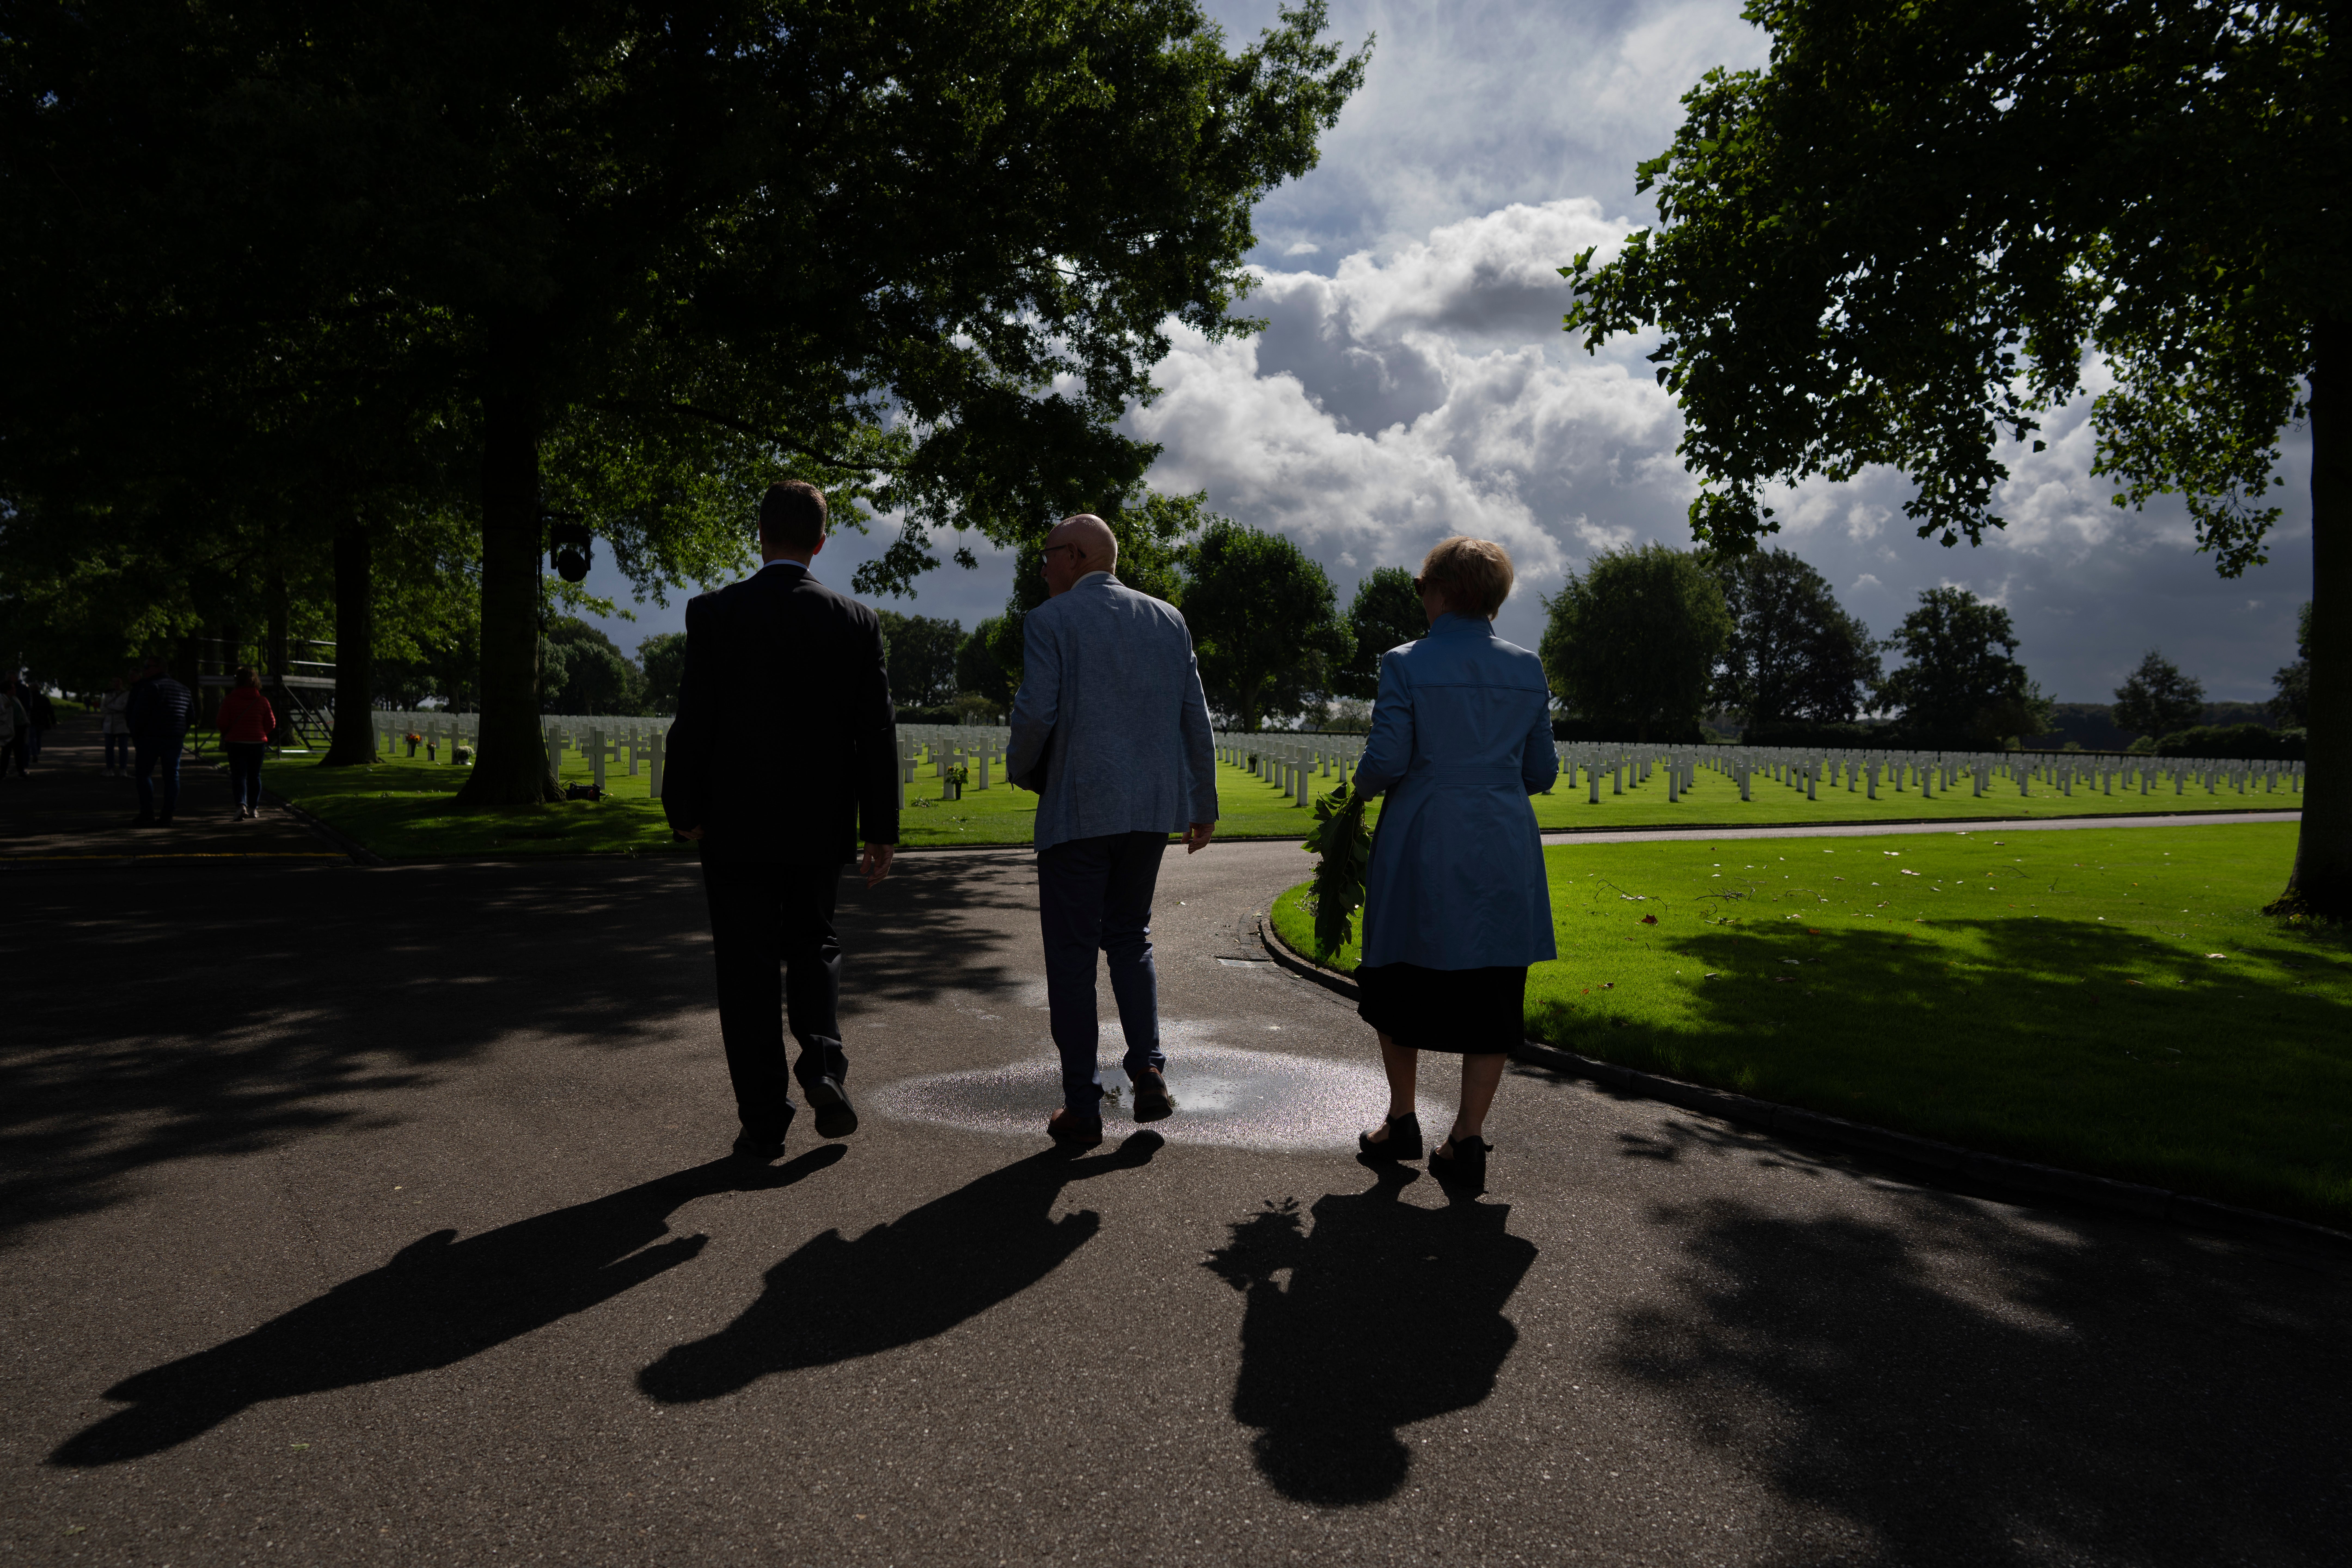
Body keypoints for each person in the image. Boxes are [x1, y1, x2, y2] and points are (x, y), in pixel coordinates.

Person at [661, 480, 899, 1162]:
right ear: (821, 541)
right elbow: (874, 734)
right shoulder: (855, 620)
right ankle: (823, 1061)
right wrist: (880, 828)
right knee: (815, 941)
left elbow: (695, 720)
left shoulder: (715, 612)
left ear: (759, 533)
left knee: (747, 966)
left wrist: (685, 808)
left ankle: (764, 1119)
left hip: (735, 821)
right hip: (819, 821)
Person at [1005, 513, 1219, 1149]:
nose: (1041, 567)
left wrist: (1020, 768)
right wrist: (1199, 801)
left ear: (1075, 555)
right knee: (1130, 936)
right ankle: (1147, 1066)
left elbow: (1037, 710)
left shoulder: (1051, 621)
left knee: (1072, 957)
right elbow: (1194, 716)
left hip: (1079, 806)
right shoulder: (1167, 618)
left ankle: (1081, 1106)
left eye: (1047, 555)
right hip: (1151, 808)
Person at [1350, 536, 1556, 1192]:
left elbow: (1386, 759)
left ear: (1440, 590)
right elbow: (1542, 771)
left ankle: (1403, 1117)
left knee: (1399, 971)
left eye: (1421, 584)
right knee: (1493, 984)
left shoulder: (1405, 663)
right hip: (1501, 838)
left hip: (1424, 835)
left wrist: (1353, 798)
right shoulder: (1527, 668)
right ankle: (1466, 1137)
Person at [124, 656, 196, 827]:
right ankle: (168, 815)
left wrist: (136, 736)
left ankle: (147, 814)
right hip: (175, 739)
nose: (144, 670)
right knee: (172, 776)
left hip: (151, 738)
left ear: (158, 668)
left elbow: (139, 715)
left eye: (147, 667)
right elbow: (191, 717)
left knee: (143, 775)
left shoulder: (150, 687)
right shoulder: (184, 690)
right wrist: (180, 733)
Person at [216, 666, 277, 820]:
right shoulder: (262, 701)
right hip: (257, 742)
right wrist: (260, 732)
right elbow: (271, 723)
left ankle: (241, 805)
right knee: (255, 776)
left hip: (236, 742)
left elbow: (222, 722)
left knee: (239, 776)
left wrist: (228, 733)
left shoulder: (230, 700)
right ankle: (254, 808)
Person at [99, 676, 133, 776]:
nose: (116, 684)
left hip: (122, 725)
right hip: (109, 725)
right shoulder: (108, 694)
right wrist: (116, 709)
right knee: (109, 749)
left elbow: (124, 707)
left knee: (123, 749)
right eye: (114, 682)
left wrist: (110, 707)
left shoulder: (126, 694)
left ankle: (123, 769)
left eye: (118, 682)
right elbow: (102, 708)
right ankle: (110, 769)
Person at [21, 684, 55, 769]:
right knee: (38, 738)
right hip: (42, 721)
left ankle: (34, 753)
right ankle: (37, 752)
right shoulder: (44, 699)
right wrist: (53, 721)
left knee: (32, 738)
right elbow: (50, 710)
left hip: (31, 721)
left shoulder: (28, 699)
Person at [0, 680, 27, 783]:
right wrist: (4, 708)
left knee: (19, 752)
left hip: (19, 728)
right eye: (13, 688)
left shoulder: (15, 699)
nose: (15, 690)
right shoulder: (2, 699)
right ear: (8, 690)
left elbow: (22, 712)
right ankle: (3, 773)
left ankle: (21, 772)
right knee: (6, 752)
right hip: (8, 730)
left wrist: (26, 722)